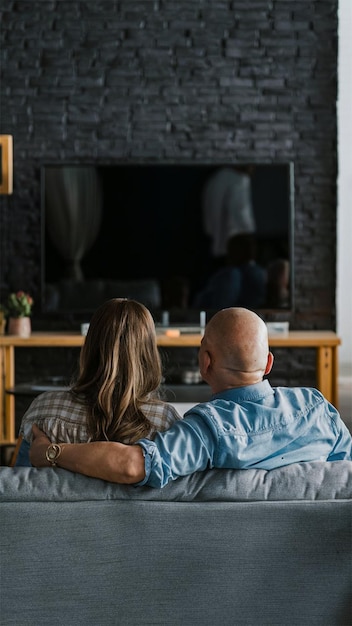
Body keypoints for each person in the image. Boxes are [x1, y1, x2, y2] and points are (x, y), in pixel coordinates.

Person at [29, 307, 352, 487]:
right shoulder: (318, 407)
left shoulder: (205, 430)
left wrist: (52, 452)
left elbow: (131, 466)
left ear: (205, 362)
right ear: (268, 363)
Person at [15, 298, 182, 466]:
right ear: (149, 354)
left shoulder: (43, 409)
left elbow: (18, 485)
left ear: (89, 347)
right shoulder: (166, 422)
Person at [194, 233, 267, 309]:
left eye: (232, 249)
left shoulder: (231, 274)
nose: (228, 254)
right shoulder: (263, 274)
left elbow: (221, 305)